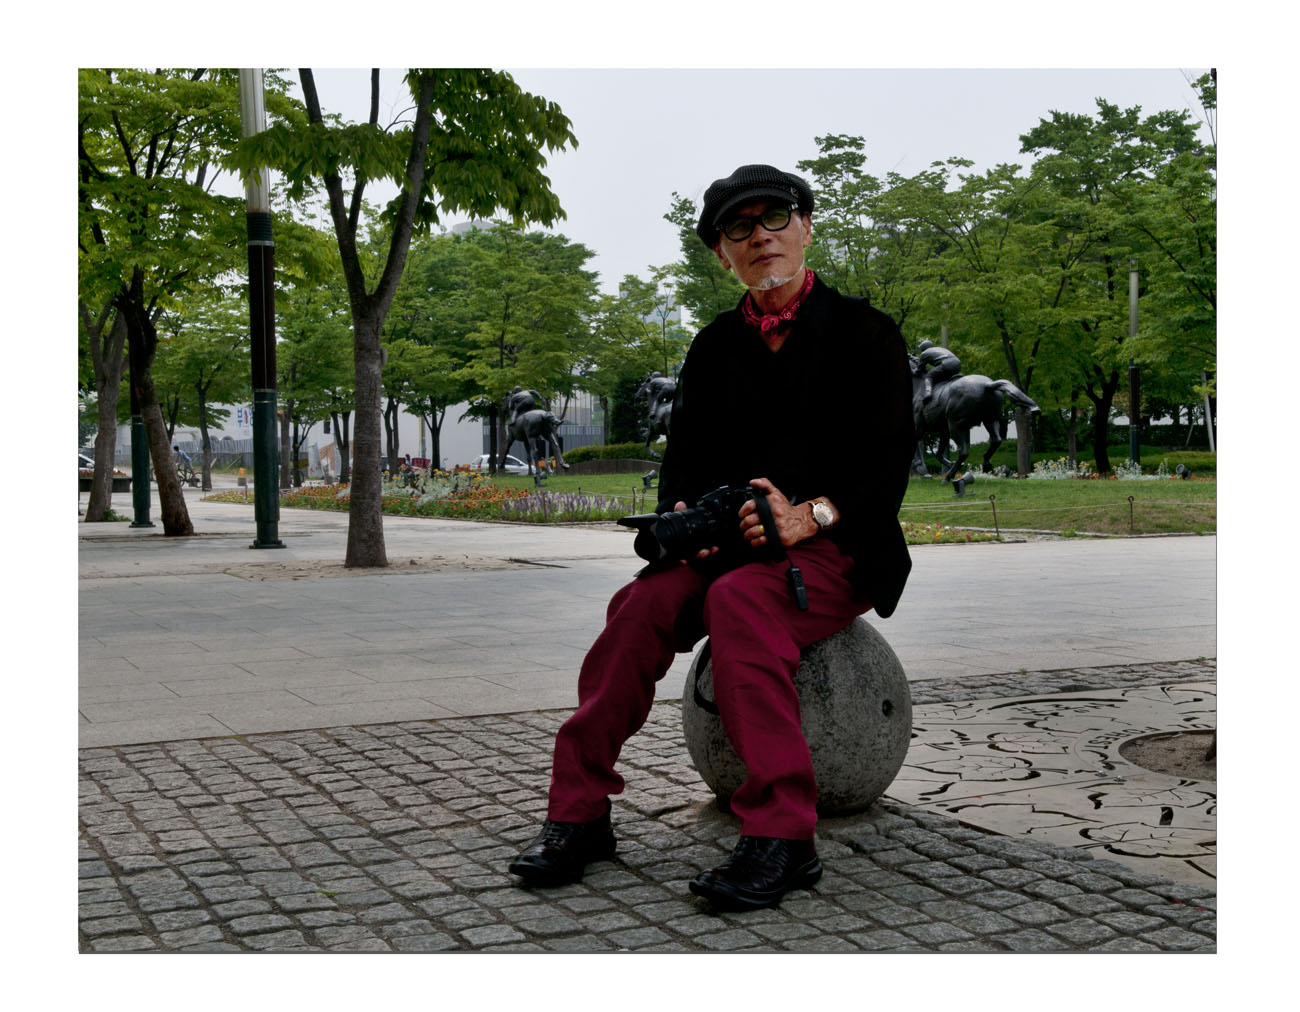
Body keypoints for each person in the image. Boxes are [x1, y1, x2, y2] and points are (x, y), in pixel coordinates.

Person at [508, 164, 915, 911]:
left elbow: (886, 468)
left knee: (741, 603)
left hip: (837, 545)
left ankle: (784, 837)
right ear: (722, 254)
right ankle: (578, 812)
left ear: (806, 227)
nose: (760, 236)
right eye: (738, 227)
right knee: (637, 609)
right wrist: (685, 519)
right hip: (730, 543)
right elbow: (684, 465)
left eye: (775, 217)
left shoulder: (866, 333)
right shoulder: (714, 345)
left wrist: (809, 515)